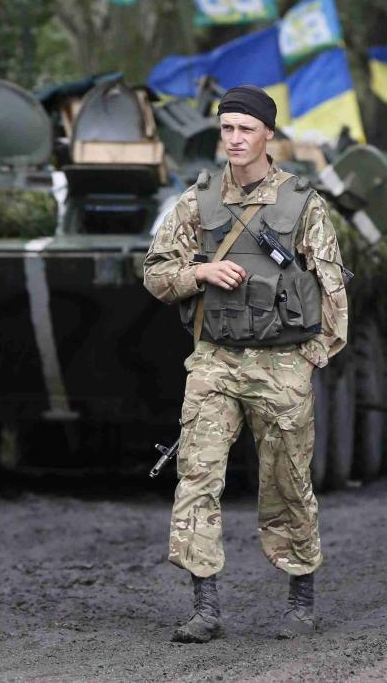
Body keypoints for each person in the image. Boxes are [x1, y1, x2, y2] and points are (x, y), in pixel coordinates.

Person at [142, 85, 348, 643]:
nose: (234, 139)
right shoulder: (196, 201)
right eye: (227, 128)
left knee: (287, 483)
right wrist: (199, 275)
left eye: (245, 129)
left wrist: (310, 359)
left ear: (268, 136)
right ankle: (205, 607)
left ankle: (300, 600)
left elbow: (333, 293)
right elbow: (156, 273)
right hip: (214, 361)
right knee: (197, 477)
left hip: (282, 364)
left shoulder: (303, 205)